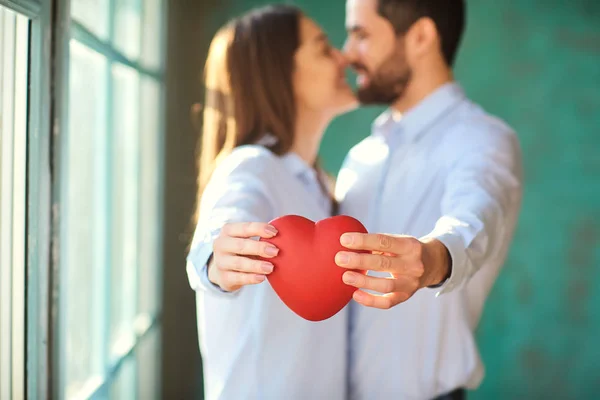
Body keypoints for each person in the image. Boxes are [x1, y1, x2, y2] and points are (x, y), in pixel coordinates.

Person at [332, 0, 523, 398]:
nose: (348, 54)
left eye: (361, 35)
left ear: (420, 36)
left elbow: (477, 211)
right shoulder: (360, 159)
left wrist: (434, 256)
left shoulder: (482, 140)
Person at [185, 5, 358, 400]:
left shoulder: (317, 184)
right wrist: (216, 258)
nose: (343, 57)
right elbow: (227, 219)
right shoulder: (251, 167)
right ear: (283, 73)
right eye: (323, 47)